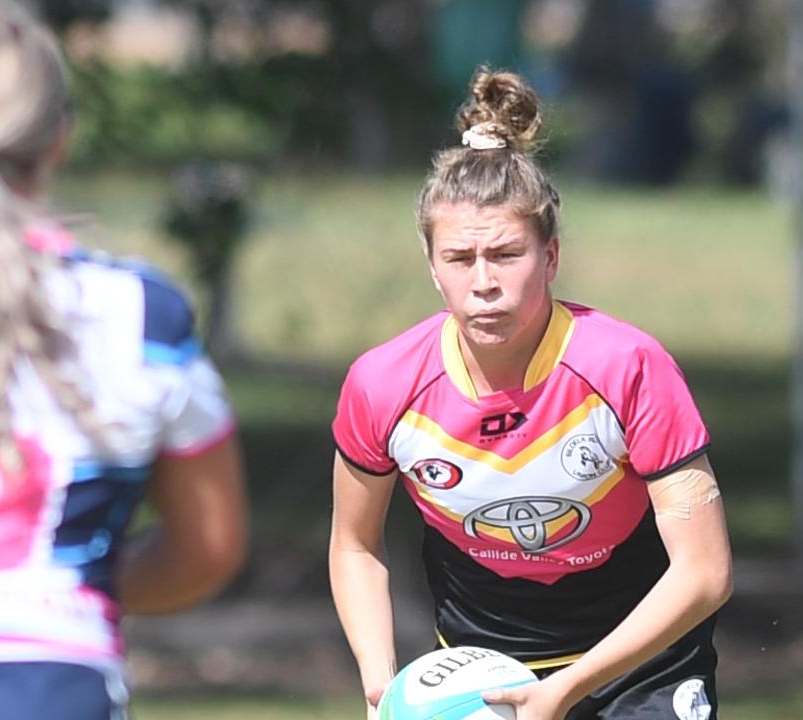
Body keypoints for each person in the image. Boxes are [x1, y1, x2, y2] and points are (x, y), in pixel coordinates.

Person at [329, 68, 732, 720]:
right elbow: (354, 544)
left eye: (507, 255)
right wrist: (383, 687)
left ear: (551, 257)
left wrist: (565, 690)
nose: (484, 282)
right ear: (432, 267)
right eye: (460, 259)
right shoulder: (383, 384)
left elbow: (706, 572)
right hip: (480, 677)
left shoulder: (628, 366)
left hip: (643, 665)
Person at [0, 4, 248, 719]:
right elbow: (209, 546)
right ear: (58, 140)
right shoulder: (143, 315)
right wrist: (71, 583)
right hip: (54, 682)